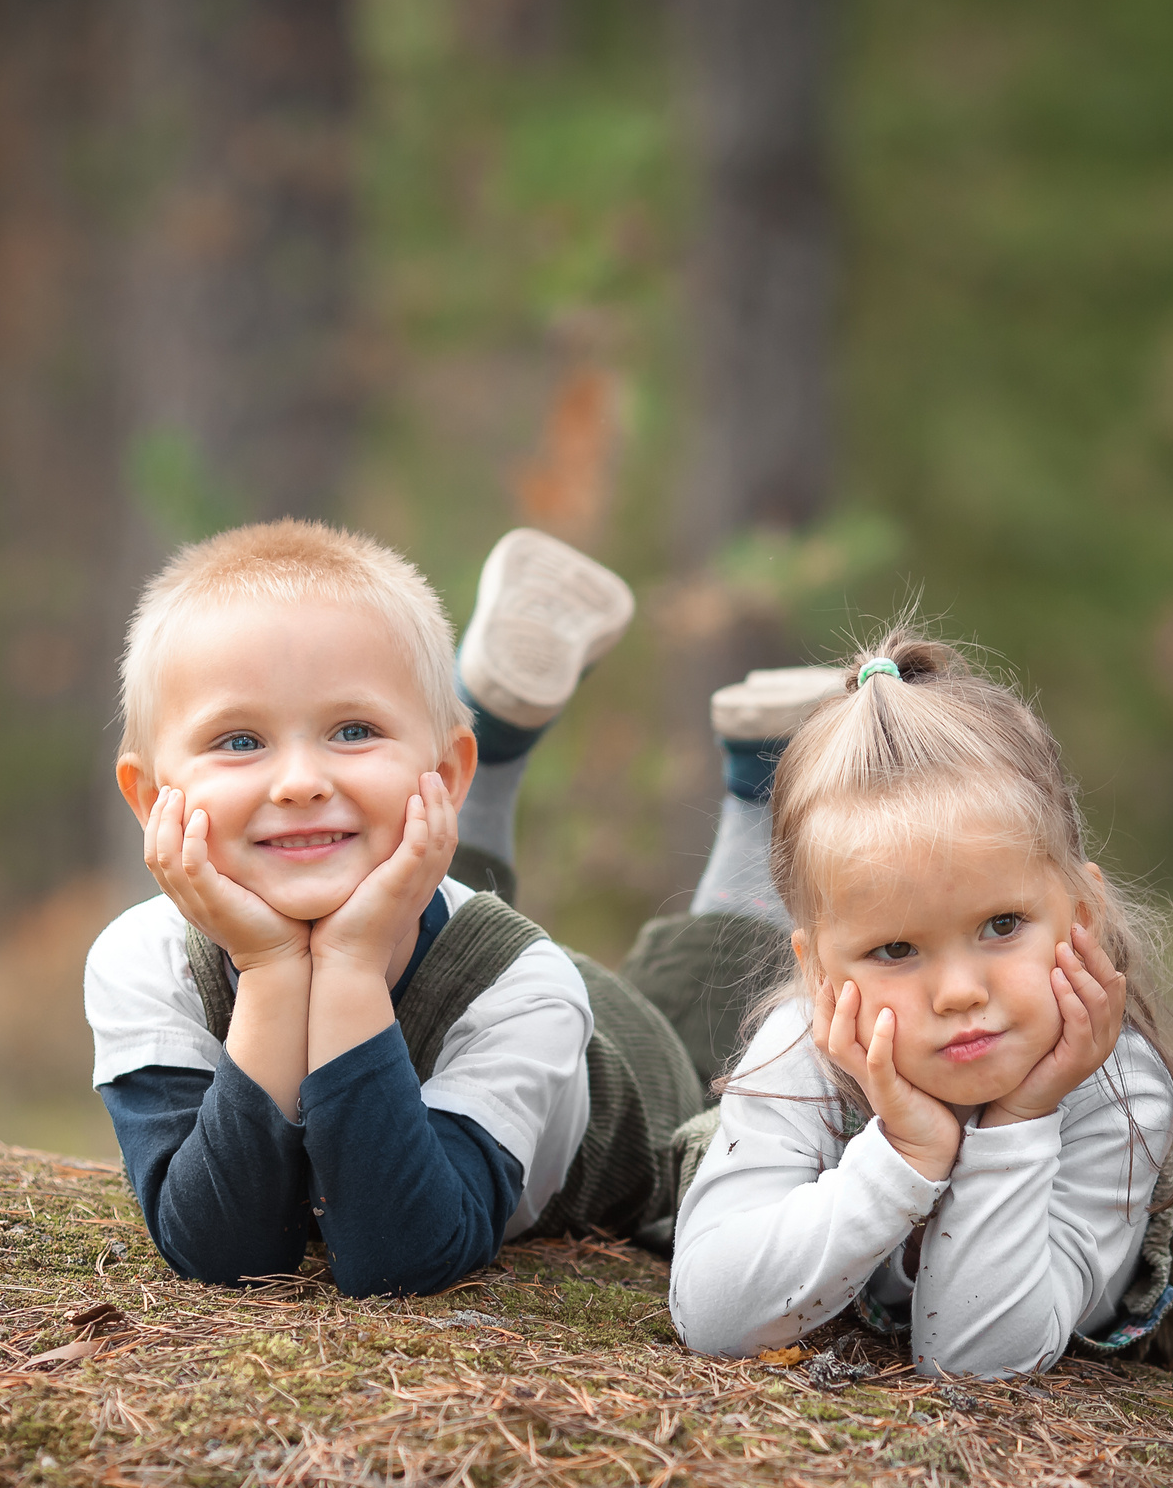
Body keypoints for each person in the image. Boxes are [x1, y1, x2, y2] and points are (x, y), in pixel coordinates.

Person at [665, 632, 1173, 1416]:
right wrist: (901, 1160)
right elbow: (712, 1314)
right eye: (895, 947)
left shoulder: (1117, 1092)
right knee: (671, 1050)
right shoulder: (803, 1048)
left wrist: (1015, 1122)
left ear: (1082, 912)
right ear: (820, 974)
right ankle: (751, 805)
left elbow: (978, 1360)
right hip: (783, 1051)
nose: (959, 992)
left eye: (1001, 926)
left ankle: (755, 803)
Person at [83, 519, 815, 1298]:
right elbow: (227, 1248)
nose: (297, 779)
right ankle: (486, 745)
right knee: (371, 842)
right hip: (413, 912)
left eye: (353, 729)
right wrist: (272, 969)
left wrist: (349, 965)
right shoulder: (143, 961)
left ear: (443, 771)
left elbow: (400, 1253)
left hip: (621, 1059)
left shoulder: (524, 992)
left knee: (705, 1049)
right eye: (238, 741)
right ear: (152, 797)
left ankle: (757, 794)